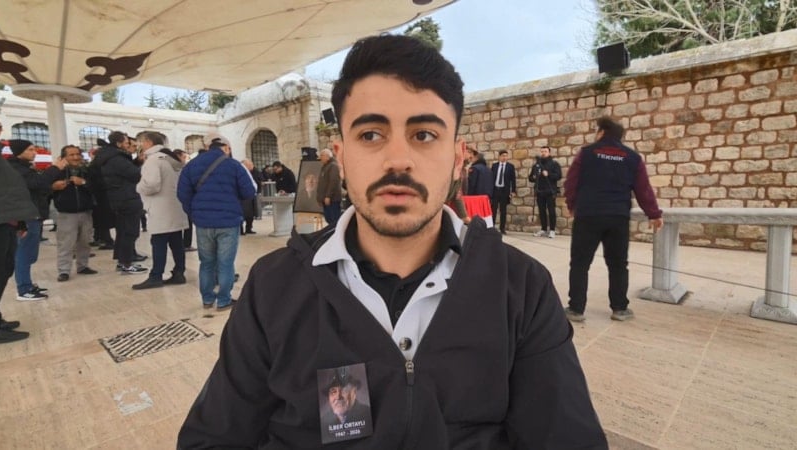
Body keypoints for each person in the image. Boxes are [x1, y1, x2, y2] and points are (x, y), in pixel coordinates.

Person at [179, 34, 606, 449]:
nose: (398, 160)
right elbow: (212, 438)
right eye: (370, 135)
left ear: (457, 159)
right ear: (341, 157)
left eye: (424, 135)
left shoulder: (520, 287)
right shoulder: (274, 286)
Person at [564, 116, 664, 322]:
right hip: (618, 216)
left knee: (580, 263)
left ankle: (576, 309)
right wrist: (653, 213)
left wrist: (572, 205)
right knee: (618, 264)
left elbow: (571, 182)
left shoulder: (586, 153)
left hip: (588, 215)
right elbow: (643, 189)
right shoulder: (632, 157)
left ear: (601, 132)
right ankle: (619, 308)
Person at [176, 135, 256, 310]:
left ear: (208, 148)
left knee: (206, 263)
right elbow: (249, 192)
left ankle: (207, 299)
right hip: (228, 221)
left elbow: (182, 193)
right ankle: (224, 300)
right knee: (225, 263)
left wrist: (195, 212)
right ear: (225, 148)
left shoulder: (191, 165)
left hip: (203, 222)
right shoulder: (234, 165)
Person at [7, 139, 66, 300]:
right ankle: (24, 289)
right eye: (30, 150)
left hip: (33, 214)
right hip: (26, 216)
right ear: (20, 152)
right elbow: (36, 183)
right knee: (24, 253)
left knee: (29, 253)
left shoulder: (24, 167)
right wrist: (55, 168)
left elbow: (37, 187)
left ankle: (27, 284)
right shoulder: (17, 169)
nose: (34, 153)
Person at [132, 132, 188, 289]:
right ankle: (179, 273)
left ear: (149, 142)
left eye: (142, 142)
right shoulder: (172, 159)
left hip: (160, 209)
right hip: (175, 207)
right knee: (176, 243)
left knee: (158, 243)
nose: (140, 145)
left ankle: (156, 276)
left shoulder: (153, 160)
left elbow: (151, 185)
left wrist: (138, 187)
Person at [0, 131, 39, 342]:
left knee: (4, 269)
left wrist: (20, 219)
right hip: (0, 220)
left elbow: (10, 191)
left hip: (7, 219)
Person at [90, 131, 148, 275]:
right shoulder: (117, 158)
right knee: (129, 232)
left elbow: (125, 172)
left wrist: (136, 162)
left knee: (123, 231)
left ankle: (123, 261)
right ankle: (126, 264)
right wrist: (142, 166)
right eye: (127, 143)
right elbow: (135, 175)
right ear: (119, 143)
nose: (129, 145)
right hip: (126, 198)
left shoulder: (110, 157)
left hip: (119, 198)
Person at [48, 145, 98, 282]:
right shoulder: (57, 172)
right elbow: (44, 188)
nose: (75, 157)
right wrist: (53, 187)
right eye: (71, 155)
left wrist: (83, 182)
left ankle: (83, 266)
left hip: (86, 212)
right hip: (66, 213)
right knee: (66, 243)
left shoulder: (87, 171)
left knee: (85, 241)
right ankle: (64, 270)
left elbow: (97, 187)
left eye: (77, 154)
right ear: (64, 157)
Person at [320, 369, 373, 443]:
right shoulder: (324, 422)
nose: (338, 397)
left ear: (354, 392)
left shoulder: (368, 415)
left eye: (344, 390)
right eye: (333, 391)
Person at [529, 146, 562, 238]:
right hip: (539, 191)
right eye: (542, 151)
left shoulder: (554, 164)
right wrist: (534, 177)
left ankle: (552, 230)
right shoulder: (536, 165)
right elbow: (530, 178)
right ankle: (543, 229)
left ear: (549, 153)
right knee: (541, 211)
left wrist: (549, 174)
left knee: (551, 211)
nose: (543, 153)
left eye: (545, 151)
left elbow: (558, 176)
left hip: (550, 191)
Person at [173, 150, 196, 251]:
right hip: (184, 200)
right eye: (184, 157)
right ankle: (186, 244)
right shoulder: (182, 169)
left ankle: (182, 244)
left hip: (177, 200)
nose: (185, 159)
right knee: (187, 223)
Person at [490, 150, 516, 234]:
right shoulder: (494, 166)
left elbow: (513, 179)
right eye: (503, 156)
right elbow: (491, 178)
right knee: (493, 209)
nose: (504, 157)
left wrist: (513, 191)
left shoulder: (510, 167)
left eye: (506, 156)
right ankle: (492, 227)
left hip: (504, 191)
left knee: (503, 210)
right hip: (495, 190)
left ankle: (502, 228)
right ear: (499, 157)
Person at [316, 148, 342, 226]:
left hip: (332, 199)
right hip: (326, 199)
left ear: (327, 156)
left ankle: (335, 233)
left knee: (334, 220)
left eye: (322, 156)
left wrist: (328, 196)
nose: (320, 158)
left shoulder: (333, 166)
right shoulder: (325, 166)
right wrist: (320, 198)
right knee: (329, 219)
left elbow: (333, 182)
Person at [240, 160, 258, 235]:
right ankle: (241, 230)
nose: (252, 166)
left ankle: (248, 228)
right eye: (251, 165)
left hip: (251, 195)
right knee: (243, 213)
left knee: (250, 214)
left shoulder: (249, 171)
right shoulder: (241, 170)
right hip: (244, 196)